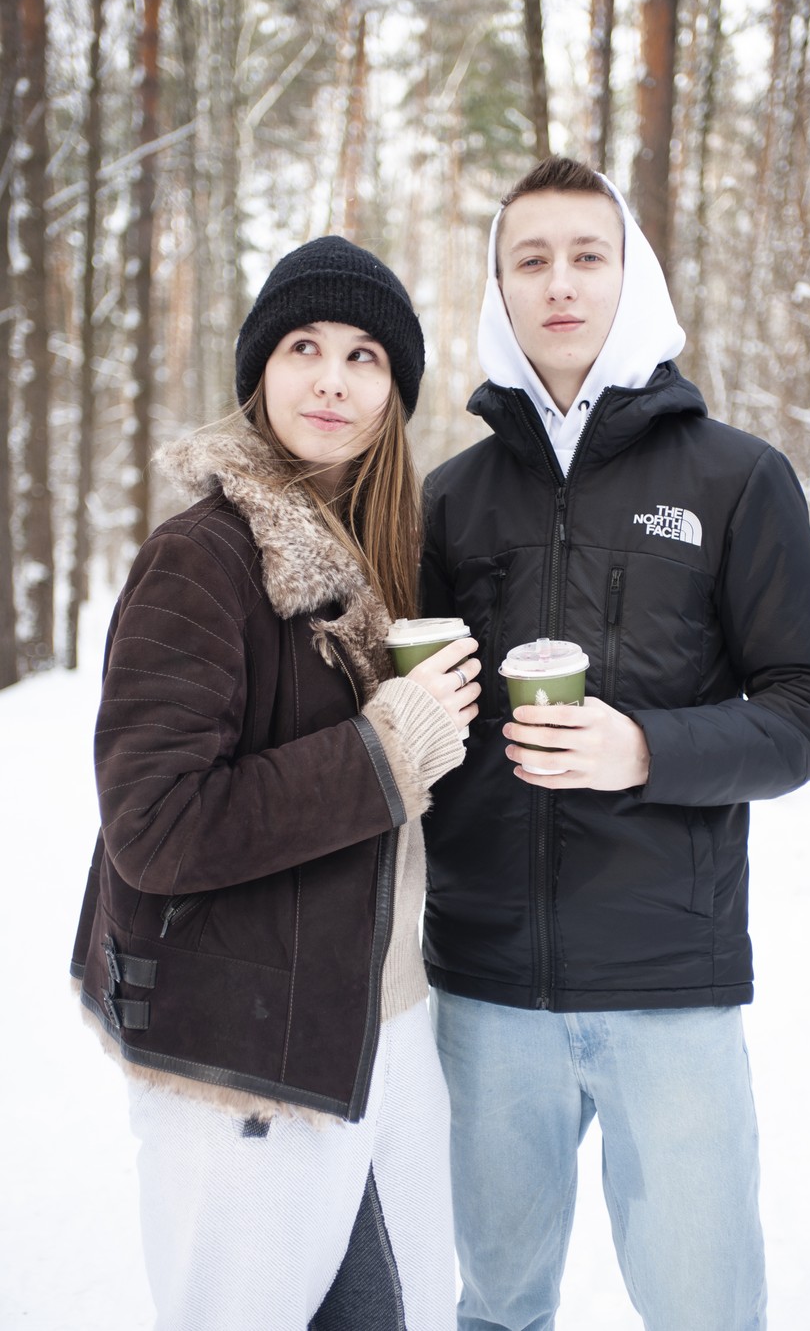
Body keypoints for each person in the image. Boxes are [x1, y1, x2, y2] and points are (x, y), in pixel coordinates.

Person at [420, 156, 810, 1331]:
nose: (560, 283)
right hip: (487, 984)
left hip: (670, 983)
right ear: (498, 292)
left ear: (631, 275)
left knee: (705, 1309)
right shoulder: (446, 502)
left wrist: (646, 750)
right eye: (530, 259)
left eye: (586, 254)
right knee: (498, 1304)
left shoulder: (736, 477)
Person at [70, 236, 481, 1331]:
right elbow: (157, 827)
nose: (332, 379)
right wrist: (387, 746)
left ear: (395, 394)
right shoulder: (200, 558)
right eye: (304, 346)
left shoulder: (367, 562)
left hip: (375, 1030)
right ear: (261, 369)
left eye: (365, 357)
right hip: (242, 1063)